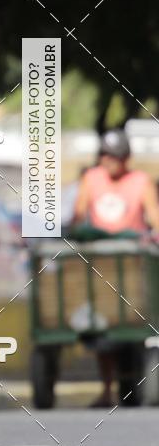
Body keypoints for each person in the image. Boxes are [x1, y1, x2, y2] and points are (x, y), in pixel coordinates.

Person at [73, 128, 159, 406]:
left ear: (127, 159)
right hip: (100, 265)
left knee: (134, 323)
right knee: (102, 324)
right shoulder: (91, 178)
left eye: (116, 157)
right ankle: (107, 389)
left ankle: (134, 378)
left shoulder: (141, 181)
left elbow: (155, 220)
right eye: (106, 156)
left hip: (133, 264)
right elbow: (78, 217)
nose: (110, 162)